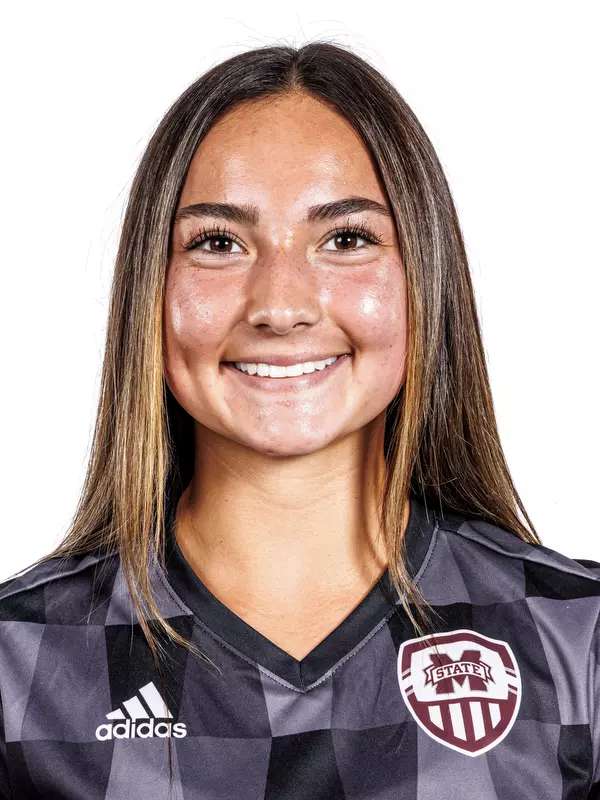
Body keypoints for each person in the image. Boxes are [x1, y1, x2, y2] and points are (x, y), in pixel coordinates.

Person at [0, 41, 598, 799]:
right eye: (218, 243)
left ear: (426, 281)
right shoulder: (18, 665)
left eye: (346, 239)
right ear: (148, 291)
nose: (280, 306)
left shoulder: (577, 643)